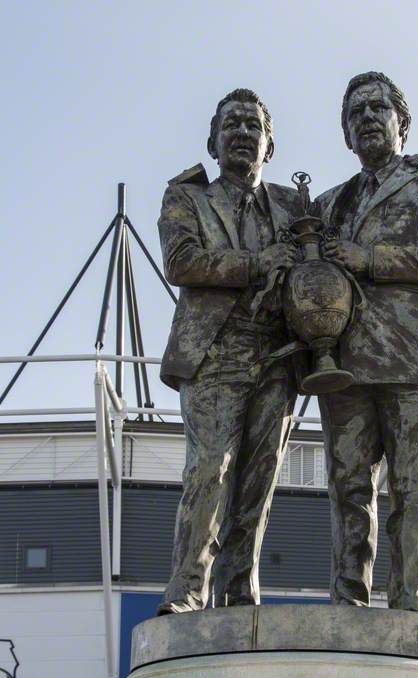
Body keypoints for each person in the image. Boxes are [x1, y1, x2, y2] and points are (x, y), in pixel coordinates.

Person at [316, 71, 418, 613]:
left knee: (412, 487)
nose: (366, 120)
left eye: (376, 109)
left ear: (401, 122)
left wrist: (371, 260)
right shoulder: (330, 202)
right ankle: (348, 600)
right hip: (345, 365)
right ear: (346, 135)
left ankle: (408, 599)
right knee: (347, 489)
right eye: (354, 114)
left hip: (410, 358)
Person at [158, 88, 302, 613]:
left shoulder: (294, 206)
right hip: (216, 352)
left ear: (270, 146)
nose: (242, 133)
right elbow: (184, 262)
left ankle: (239, 591)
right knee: (210, 469)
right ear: (214, 142)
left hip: (279, 356)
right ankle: (188, 589)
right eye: (231, 125)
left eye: (252, 126)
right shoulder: (186, 198)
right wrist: (257, 264)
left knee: (258, 480)